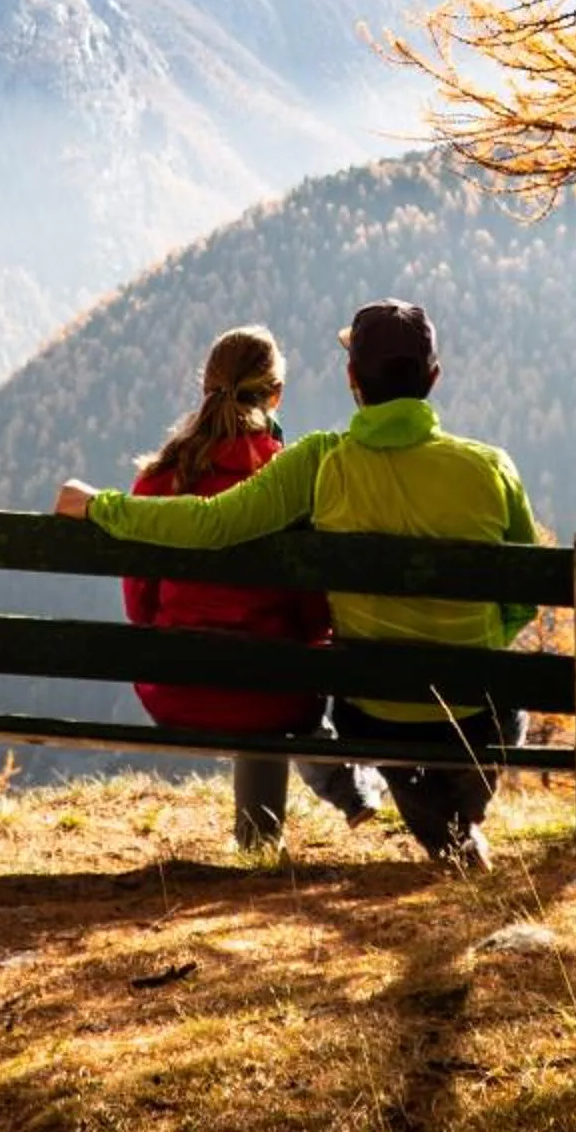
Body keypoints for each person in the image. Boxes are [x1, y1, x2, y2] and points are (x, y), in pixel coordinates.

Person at [58, 300, 537, 868]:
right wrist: (478, 642)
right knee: (507, 699)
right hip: (471, 709)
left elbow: (210, 523)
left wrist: (101, 506)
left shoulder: (319, 462)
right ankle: (455, 824)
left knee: (377, 713)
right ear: (433, 377)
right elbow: (525, 598)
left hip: (371, 710)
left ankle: (446, 828)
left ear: (352, 379)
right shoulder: (491, 468)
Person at [118, 326, 380, 848]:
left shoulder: (158, 480)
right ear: (275, 395)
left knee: (263, 674)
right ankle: (313, 809)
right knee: (280, 675)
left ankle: (273, 833)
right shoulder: (289, 482)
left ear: (206, 387)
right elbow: (314, 618)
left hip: (176, 690)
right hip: (275, 696)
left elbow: (140, 609)